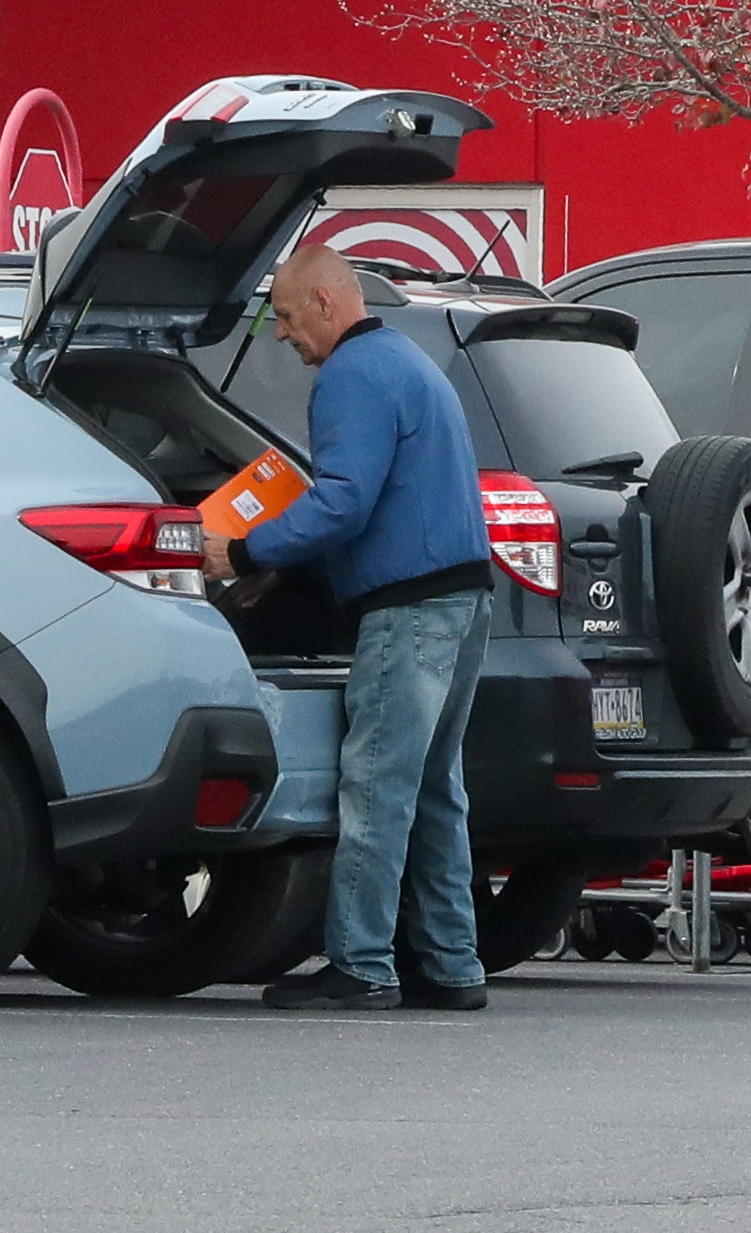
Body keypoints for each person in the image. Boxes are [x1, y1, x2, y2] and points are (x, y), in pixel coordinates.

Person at [201, 243, 494, 1011]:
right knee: (435, 788)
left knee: (376, 785)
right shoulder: (411, 362)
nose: (283, 336)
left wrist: (241, 551)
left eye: (289, 318)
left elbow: (343, 503)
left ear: (328, 302)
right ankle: (451, 963)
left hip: (408, 609)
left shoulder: (350, 378)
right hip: (465, 601)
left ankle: (361, 963)